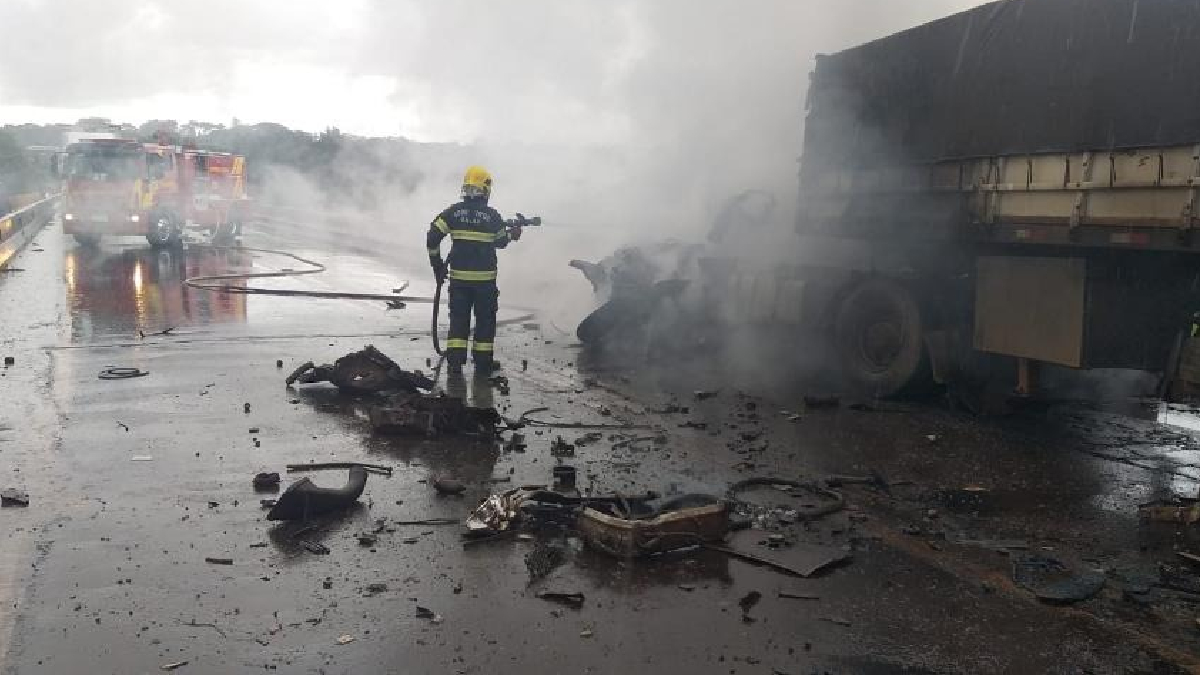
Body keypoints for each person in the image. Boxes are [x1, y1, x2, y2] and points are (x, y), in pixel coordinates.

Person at [426, 165, 522, 376]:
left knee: (458, 320)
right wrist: (512, 234)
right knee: (485, 321)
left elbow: (432, 237)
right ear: (485, 190)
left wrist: (437, 266)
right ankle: (483, 363)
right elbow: (500, 241)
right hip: (485, 284)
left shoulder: (453, 213)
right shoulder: (492, 216)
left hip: (459, 282)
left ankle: (455, 363)